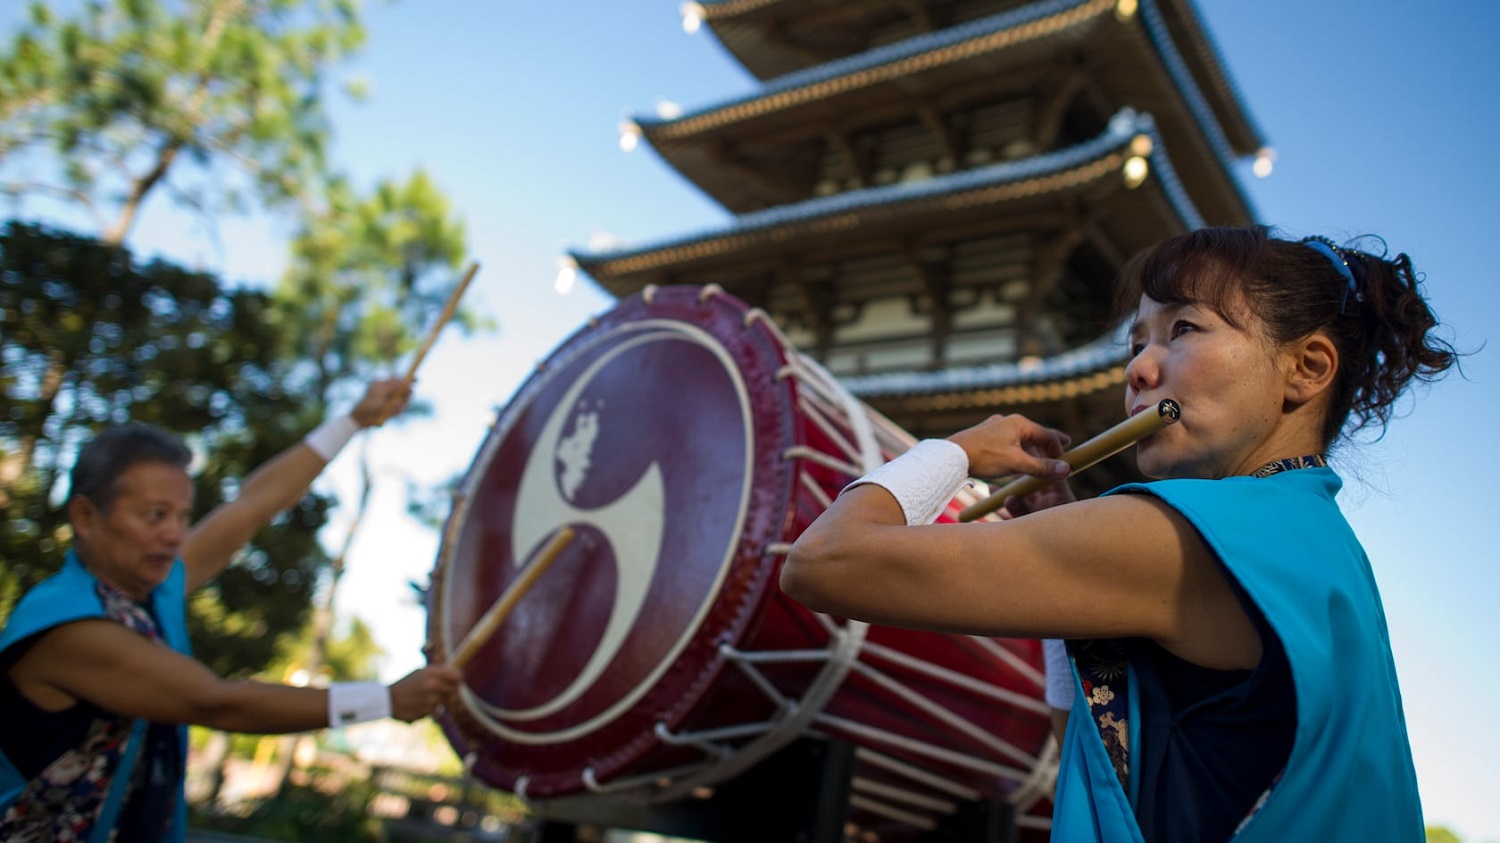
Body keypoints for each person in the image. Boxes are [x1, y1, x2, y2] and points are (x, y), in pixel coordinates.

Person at [782, 225, 1457, 842]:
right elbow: (1105, 764)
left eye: (1184, 328)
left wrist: (954, 449)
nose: (1137, 370)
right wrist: (1064, 579)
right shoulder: (1312, 542)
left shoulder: (1191, 530)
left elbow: (821, 559)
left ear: (1306, 368)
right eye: (1138, 344)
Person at [0, 378, 463, 842]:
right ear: (84, 517)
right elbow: (217, 702)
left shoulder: (147, 592)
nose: (174, 535)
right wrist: (384, 700)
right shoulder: (69, 626)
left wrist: (353, 420)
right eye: (155, 516)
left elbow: (254, 504)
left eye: (182, 517)